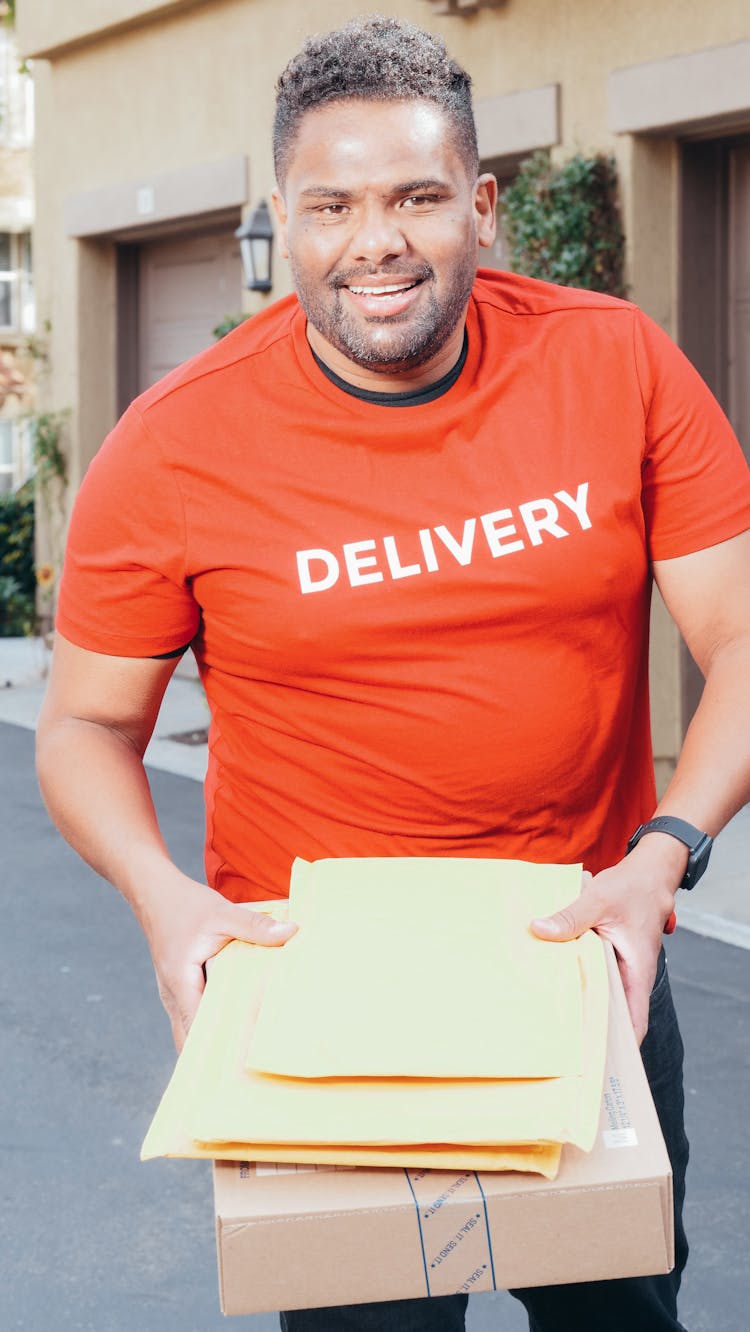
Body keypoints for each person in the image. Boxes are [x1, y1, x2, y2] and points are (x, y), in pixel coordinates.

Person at [36, 14, 750, 1332]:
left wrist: (665, 850)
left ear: (479, 206)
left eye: (417, 196)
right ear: (282, 223)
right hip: (320, 995)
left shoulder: (613, 363)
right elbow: (84, 722)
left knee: (616, 1317)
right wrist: (163, 901)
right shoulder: (176, 445)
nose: (375, 239)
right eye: (332, 204)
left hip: (581, 959)